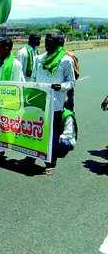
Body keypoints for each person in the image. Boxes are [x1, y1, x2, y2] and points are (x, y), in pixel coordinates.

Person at [30, 31, 76, 174]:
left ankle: (51, 162)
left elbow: (71, 82)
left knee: (52, 134)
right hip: (38, 103)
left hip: (55, 105)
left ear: (58, 44)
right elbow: (33, 78)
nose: (47, 44)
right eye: (46, 41)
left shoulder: (66, 60)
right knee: (35, 131)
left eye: (50, 41)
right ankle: (31, 156)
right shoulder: (39, 58)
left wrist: (61, 87)